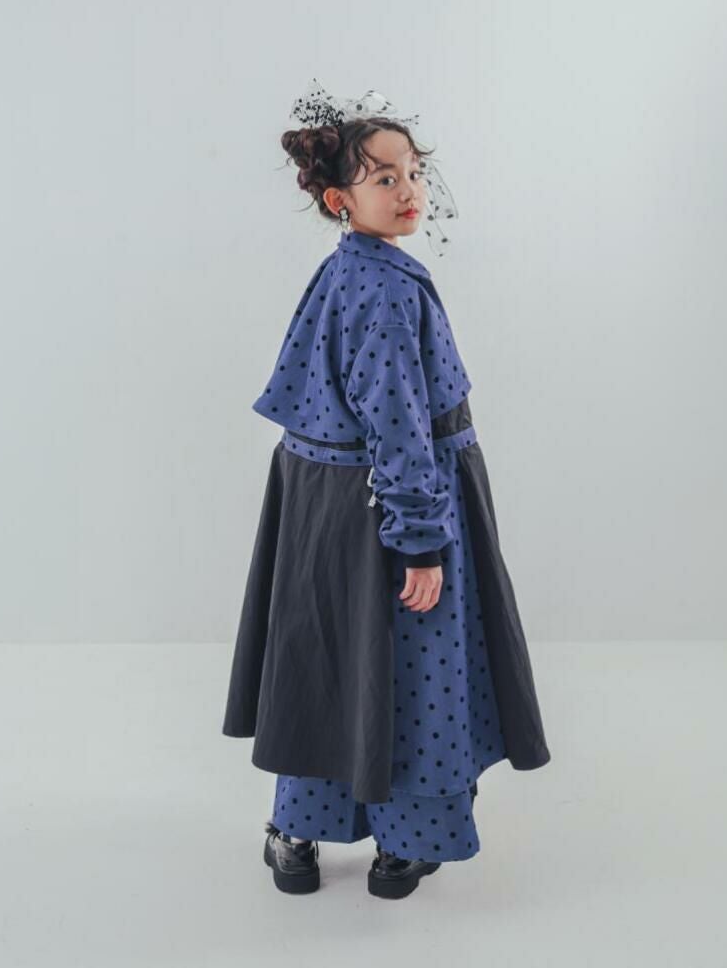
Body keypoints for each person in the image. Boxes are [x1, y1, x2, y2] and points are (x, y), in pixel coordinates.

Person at [222, 79, 551, 900]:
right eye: (383, 178)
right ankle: (407, 842)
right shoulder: (389, 290)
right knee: (414, 663)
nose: (408, 190)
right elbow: (399, 425)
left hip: (321, 504)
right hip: (389, 506)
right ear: (340, 199)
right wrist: (421, 541)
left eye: (413, 173)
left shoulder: (346, 271)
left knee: (326, 657)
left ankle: (296, 833)